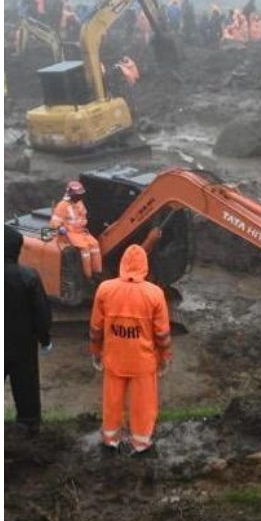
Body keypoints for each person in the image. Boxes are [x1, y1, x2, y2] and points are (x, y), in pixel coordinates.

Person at [90, 244, 171, 456]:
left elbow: (96, 328)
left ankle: (111, 440)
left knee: (112, 402)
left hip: (114, 358)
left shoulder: (105, 289)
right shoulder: (155, 294)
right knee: (143, 405)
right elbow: (162, 334)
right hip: (143, 361)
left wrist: (96, 351)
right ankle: (141, 443)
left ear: (122, 264)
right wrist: (164, 358)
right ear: (145, 266)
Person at [5, 225, 52, 434]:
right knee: (26, 386)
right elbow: (41, 312)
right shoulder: (28, 276)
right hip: (23, 344)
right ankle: (29, 427)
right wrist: (45, 339)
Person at [50, 181, 102, 281]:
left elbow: (83, 215)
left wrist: (83, 223)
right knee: (85, 248)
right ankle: (88, 276)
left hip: (81, 231)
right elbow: (55, 221)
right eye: (78, 194)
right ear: (71, 194)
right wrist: (60, 228)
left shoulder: (79, 203)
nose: (80, 196)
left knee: (95, 244)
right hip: (70, 233)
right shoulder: (62, 206)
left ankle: (97, 272)